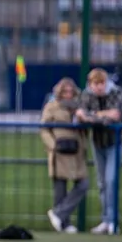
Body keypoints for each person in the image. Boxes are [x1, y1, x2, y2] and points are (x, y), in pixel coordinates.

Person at [76, 68, 122, 235]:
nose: (99, 87)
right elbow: (80, 115)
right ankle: (106, 220)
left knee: (111, 181)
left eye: (101, 83)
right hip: (97, 142)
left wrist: (91, 115)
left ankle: (113, 221)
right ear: (90, 84)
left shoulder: (116, 92)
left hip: (114, 142)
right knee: (102, 183)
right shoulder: (86, 94)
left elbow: (115, 116)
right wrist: (101, 115)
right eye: (95, 84)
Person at [41, 78, 89, 233]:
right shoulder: (52, 106)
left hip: (77, 151)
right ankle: (63, 223)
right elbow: (44, 128)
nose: (68, 94)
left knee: (83, 184)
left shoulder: (79, 107)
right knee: (60, 188)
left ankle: (58, 214)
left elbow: (87, 126)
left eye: (70, 91)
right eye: (65, 91)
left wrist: (83, 118)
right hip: (60, 151)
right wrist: (53, 145)